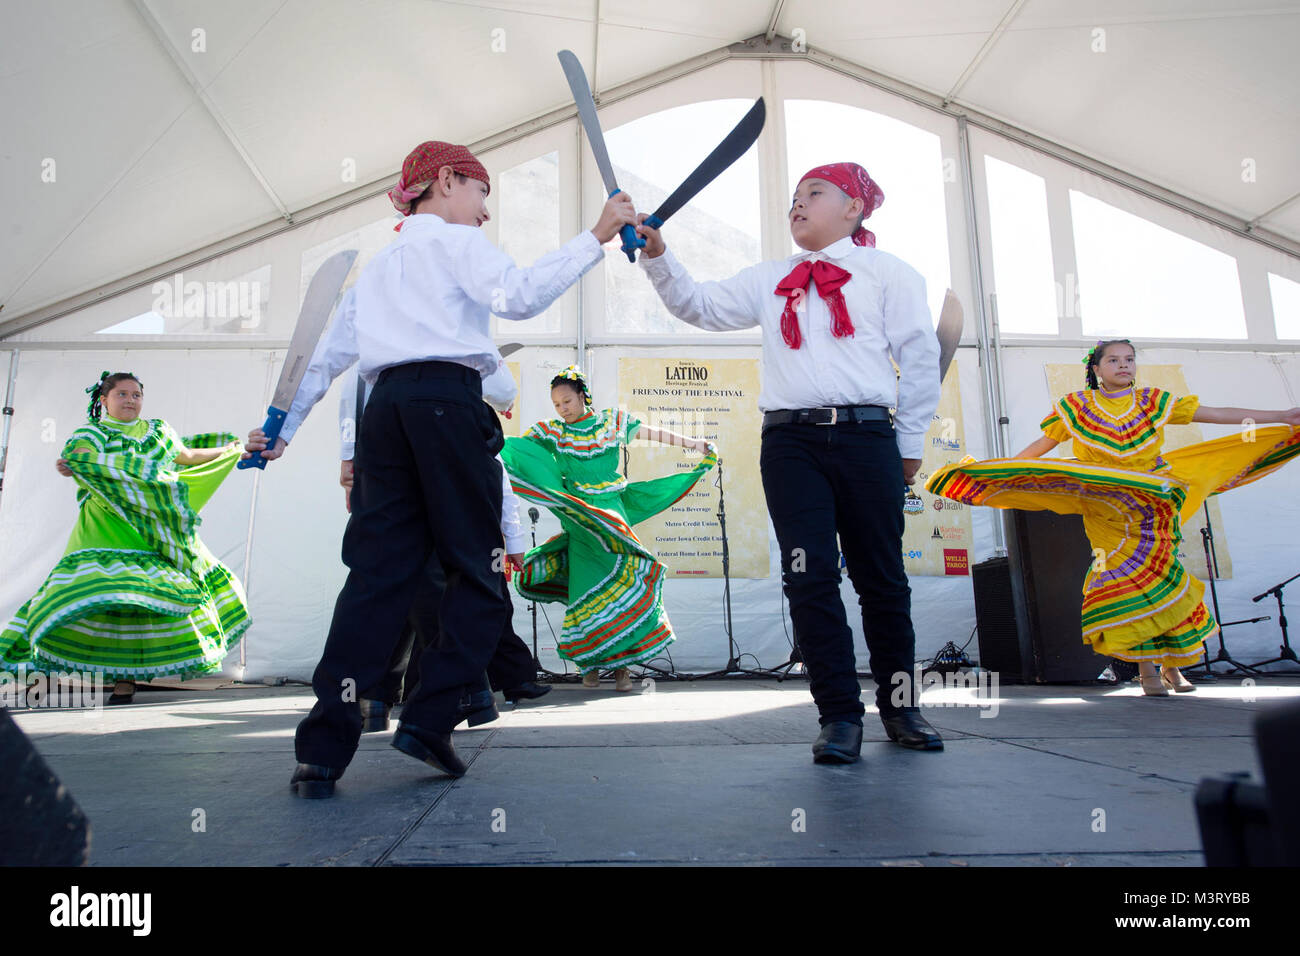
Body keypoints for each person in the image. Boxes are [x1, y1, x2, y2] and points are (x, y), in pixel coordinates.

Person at [243, 140, 637, 797]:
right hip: (448, 407)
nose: (486, 214)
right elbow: (520, 295)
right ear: (448, 181)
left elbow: (325, 361)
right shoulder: (457, 245)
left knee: (375, 579)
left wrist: (279, 430)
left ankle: (322, 749)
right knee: (480, 573)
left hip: (386, 414)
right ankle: (431, 717)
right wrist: (596, 234)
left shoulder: (376, 270)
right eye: (483, 194)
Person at [635, 162, 943, 764]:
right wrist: (659, 254)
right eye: (793, 197)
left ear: (853, 207)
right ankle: (838, 717)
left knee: (882, 578)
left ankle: (902, 707)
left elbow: (922, 357)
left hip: (867, 438)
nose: (797, 205)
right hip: (790, 444)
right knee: (809, 575)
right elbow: (696, 306)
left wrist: (907, 446)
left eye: (814, 194)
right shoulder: (768, 277)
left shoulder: (890, 274)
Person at [928, 339, 1300, 695]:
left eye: (1129, 359)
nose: (1124, 366)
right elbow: (1040, 449)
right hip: (1105, 506)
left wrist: (1281, 415)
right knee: (1124, 579)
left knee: (1162, 579)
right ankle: (1146, 669)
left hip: (1151, 506)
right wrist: (1002, 474)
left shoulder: (1153, 401)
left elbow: (1215, 413)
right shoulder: (1074, 407)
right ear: (1096, 368)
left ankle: (1172, 665)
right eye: (1114, 360)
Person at [1, 371, 248, 704]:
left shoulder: (158, 431)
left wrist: (228, 451)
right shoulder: (93, 432)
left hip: (152, 527)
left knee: (140, 600)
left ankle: (125, 681)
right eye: (122, 394)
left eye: (136, 395)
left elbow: (186, 457)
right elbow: (82, 454)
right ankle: (35, 661)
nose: (131, 400)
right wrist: (74, 465)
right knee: (90, 592)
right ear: (104, 401)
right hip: (105, 525)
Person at [337, 361, 551, 732]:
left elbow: (351, 386)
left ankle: (374, 697)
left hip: (383, 442)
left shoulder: (376, 332)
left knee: (386, 578)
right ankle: (465, 690)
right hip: (440, 443)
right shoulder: (457, 333)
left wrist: (349, 452)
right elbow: (502, 390)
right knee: (439, 580)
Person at [500, 366, 717, 690]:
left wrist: (692, 443)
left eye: (568, 401)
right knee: (584, 594)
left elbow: (651, 432)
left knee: (624, 588)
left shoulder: (610, 423)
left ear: (583, 396)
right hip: (581, 522)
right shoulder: (555, 432)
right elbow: (521, 452)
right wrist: (484, 432)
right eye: (557, 404)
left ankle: (622, 670)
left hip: (612, 516)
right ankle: (588, 665)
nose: (563, 409)